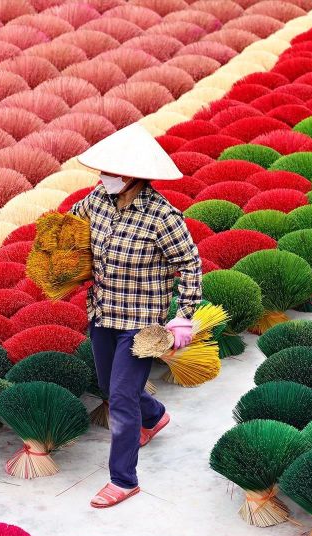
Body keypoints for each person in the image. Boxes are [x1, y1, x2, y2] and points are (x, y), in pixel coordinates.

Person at [69, 123, 202, 509]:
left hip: (142, 324)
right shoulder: (97, 200)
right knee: (111, 385)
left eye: (110, 171)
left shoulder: (163, 217)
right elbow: (73, 226)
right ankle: (155, 416)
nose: (102, 177)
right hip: (103, 312)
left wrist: (184, 316)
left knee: (121, 400)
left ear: (130, 176)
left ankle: (123, 480)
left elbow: (190, 265)